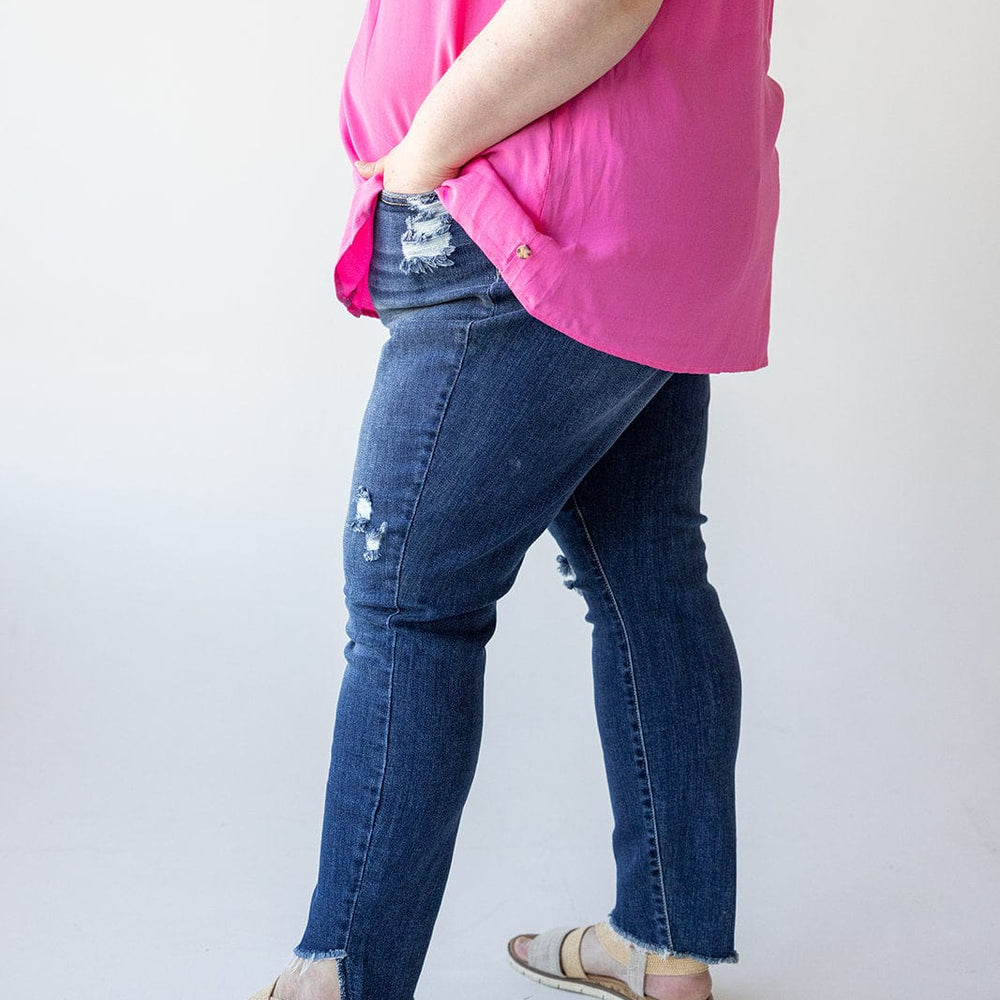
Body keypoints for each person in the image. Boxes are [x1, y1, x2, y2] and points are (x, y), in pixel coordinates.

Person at [245, 1, 783, 998]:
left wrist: (423, 154)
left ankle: (339, 978)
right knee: (650, 575)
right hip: (649, 213)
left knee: (412, 611)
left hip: (529, 218)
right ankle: (666, 947)